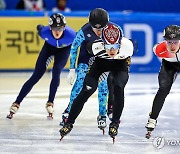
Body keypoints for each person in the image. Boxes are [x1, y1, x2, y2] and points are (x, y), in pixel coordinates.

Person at [59, 24, 134, 142]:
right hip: (100, 65)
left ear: (120, 43)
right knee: (86, 90)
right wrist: (73, 69)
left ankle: (115, 123)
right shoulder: (94, 47)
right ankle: (69, 122)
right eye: (109, 46)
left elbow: (125, 62)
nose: (112, 50)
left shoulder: (128, 47)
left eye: (115, 46)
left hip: (120, 65)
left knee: (118, 86)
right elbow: (79, 50)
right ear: (102, 43)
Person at [6, 13, 76, 119]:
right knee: (36, 76)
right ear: (49, 27)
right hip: (49, 49)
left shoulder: (71, 35)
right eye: (54, 28)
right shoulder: (44, 32)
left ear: (64, 28)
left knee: (56, 70)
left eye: (60, 28)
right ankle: (17, 102)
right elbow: (39, 27)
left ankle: (50, 102)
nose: (57, 32)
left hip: (63, 51)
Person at [60, 8, 110, 132]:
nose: (98, 32)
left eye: (101, 29)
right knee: (79, 84)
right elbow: (74, 48)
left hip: (102, 60)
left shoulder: (111, 30)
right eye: (96, 29)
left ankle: (102, 114)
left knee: (103, 85)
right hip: (86, 59)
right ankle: (69, 110)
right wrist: (72, 69)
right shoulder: (84, 31)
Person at [145, 25, 180, 139]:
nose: (172, 45)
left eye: (175, 42)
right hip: (169, 65)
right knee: (163, 90)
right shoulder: (159, 49)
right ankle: (152, 118)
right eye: (169, 42)